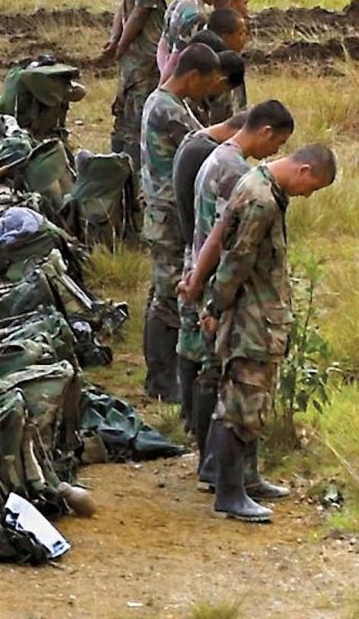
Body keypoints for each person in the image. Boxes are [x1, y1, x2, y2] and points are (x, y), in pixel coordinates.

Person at [195, 145, 336, 521]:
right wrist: (214, 307)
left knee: (254, 400)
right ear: (304, 170)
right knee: (240, 403)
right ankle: (229, 493)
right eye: (313, 187)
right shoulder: (261, 200)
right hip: (251, 320)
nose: (308, 194)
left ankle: (247, 477)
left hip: (261, 317)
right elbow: (236, 260)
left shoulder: (262, 186)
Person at [177, 101, 294, 479]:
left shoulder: (215, 158)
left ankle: (216, 467)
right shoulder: (234, 172)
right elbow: (228, 242)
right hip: (218, 284)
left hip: (203, 274)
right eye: (278, 142)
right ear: (265, 132)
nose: (276, 152)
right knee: (222, 377)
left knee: (213, 372)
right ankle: (215, 469)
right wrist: (207, 295)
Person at [139, 43, 220, 400]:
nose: (208, 92)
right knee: (168, 296)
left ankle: (161, 375)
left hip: (164, 213)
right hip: (169, 216)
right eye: (207, 83)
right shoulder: (169, 111)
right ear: (191, 76)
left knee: (163, 291)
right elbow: (206, 146)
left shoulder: (166, 102)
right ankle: (161, 380)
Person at [170, 110, 248, 422]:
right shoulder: (224, 165)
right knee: (208, 358)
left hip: (194, 255)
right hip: (204, 264)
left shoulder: (197, 149)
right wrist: (202, 280)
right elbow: (222, 233)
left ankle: (188, 418)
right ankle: (199, 430)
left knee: (189, 342)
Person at [103, 0, 195, 173]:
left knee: (123, 119)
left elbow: (122, 6)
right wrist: (122, 44)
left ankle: (113, 170)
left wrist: (116, 39)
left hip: (130, 55)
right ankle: (131, 178)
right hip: (145, 55)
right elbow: (140, 12)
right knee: (138, 123)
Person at [158, 0, 240, 79]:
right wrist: (165, 83)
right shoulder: (196, 14)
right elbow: (178, 56)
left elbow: (163, 43)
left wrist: (163, 71)